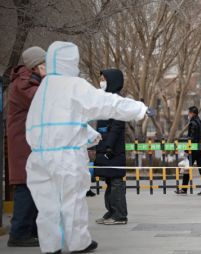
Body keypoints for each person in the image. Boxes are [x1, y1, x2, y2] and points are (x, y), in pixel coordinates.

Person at [25, 41, 151, 254]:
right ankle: (78, 243)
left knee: (47, 207)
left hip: (38, 158)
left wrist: (90, 136)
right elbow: (107, 103)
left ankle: (50, 247)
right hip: (65, 157)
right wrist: (139, 108)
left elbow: (56, 123)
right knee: (72, 201)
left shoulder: (43, 88)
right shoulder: (73, 85)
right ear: (70, 62)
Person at [7, 46, 46, 248]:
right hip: (23, 144)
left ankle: (28, 231)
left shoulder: (30, 81)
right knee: (25, 186)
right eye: (45, 64)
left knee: (32, 186)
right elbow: (42, 100)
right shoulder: (25, 83)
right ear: (36, 65)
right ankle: (19, 233)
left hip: (27, 143)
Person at [94, 69, 129, 225]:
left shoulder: (118, 101)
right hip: (103, 146)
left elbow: (117, 126)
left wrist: (108, 146)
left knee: (116, 182)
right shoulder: (105, 100)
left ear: (113, 81)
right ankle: (111, 211)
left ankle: (120, 215)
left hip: (113, 150)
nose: (101, 82)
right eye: (100, 79)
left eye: (104, 79)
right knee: (109, 181)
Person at [176, 106, 201, 195]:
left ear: (192, 113)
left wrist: (186, 150)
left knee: (187, 168)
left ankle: (184, 189)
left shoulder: (192, 123)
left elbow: (191, 138)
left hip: (193, 149)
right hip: (200, 149)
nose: (188, 115)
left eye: (189, 113)